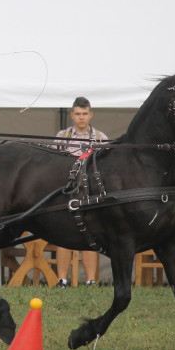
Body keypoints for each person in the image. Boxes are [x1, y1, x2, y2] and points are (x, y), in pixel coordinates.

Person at [52, 96, 108, 287]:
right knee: (62, 234)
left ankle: (91, 281)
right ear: (72, 115)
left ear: (90, 114)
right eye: (78, 114)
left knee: (91, 235)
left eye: (85, 113)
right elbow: (52, 163)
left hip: (91, 192)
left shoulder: (101, 138)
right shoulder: (62, 136)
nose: (81, 117)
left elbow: (107, 167)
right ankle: (62, 279)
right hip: (66, 191)